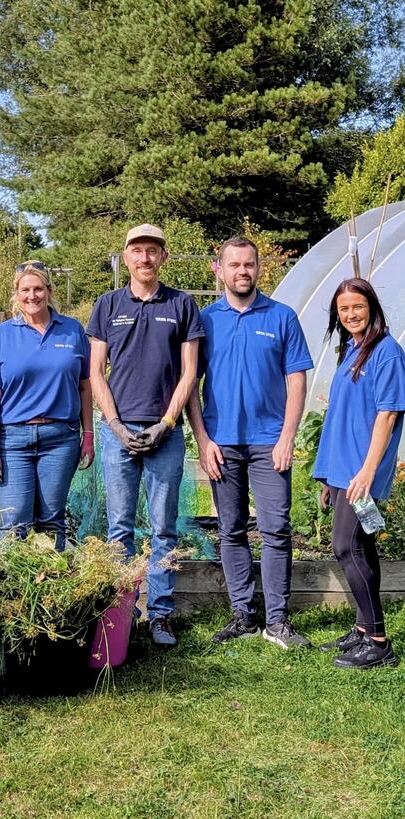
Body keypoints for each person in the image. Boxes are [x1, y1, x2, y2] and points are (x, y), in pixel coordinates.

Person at [187, 236, 314, 649]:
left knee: (277, 529)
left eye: (250, 265)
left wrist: (286, 437)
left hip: (268, 443)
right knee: (231, 529)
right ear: (217, 269)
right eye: (235, 264)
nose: (243, 271)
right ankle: (243, 613)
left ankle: (277, 619)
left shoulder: (282, 317)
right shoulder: (204, 320)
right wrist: (203, 439)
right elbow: (190, 384)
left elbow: (297, 380)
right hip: (221, 442)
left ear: (260, 269)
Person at [87, 224, 203, 646]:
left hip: (165, 434)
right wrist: (115, 425)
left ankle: (160, 615)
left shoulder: (182, 305)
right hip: (118, 432)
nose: (145, 258)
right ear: (126, 257)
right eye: (137, 251)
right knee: (119, 527)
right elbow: (95, 371)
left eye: (153, 251)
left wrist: (167, 424)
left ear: (163, 258)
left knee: (163, 529)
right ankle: (117, 613)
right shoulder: (108, 305)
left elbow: (190, 372)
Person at [313, 278, 404, 668]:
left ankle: (380, 642)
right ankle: (364, 628)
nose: (350, 314)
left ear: (372, 308)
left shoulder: (386, 353)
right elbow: (342, 418)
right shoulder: (351, 350)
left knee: (345, 546)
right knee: (361, 546)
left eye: (358, 307)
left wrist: (367, 470)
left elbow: (387, 414)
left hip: (361, 471)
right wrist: (328, 476)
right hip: (343, 469)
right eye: (343, 309)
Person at [0, 261, 94, 551]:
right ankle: (11, 591)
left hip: (60, 438)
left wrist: (88, 434)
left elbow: (85, 385)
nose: (32, 295)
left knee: (52, 520)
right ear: (16, 295)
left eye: (38, 288)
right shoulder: (2, 335)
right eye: (25, 290)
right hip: (14, 439)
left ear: (49, 291)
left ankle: (51, 590)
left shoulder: (72, 331)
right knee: (14, 522)